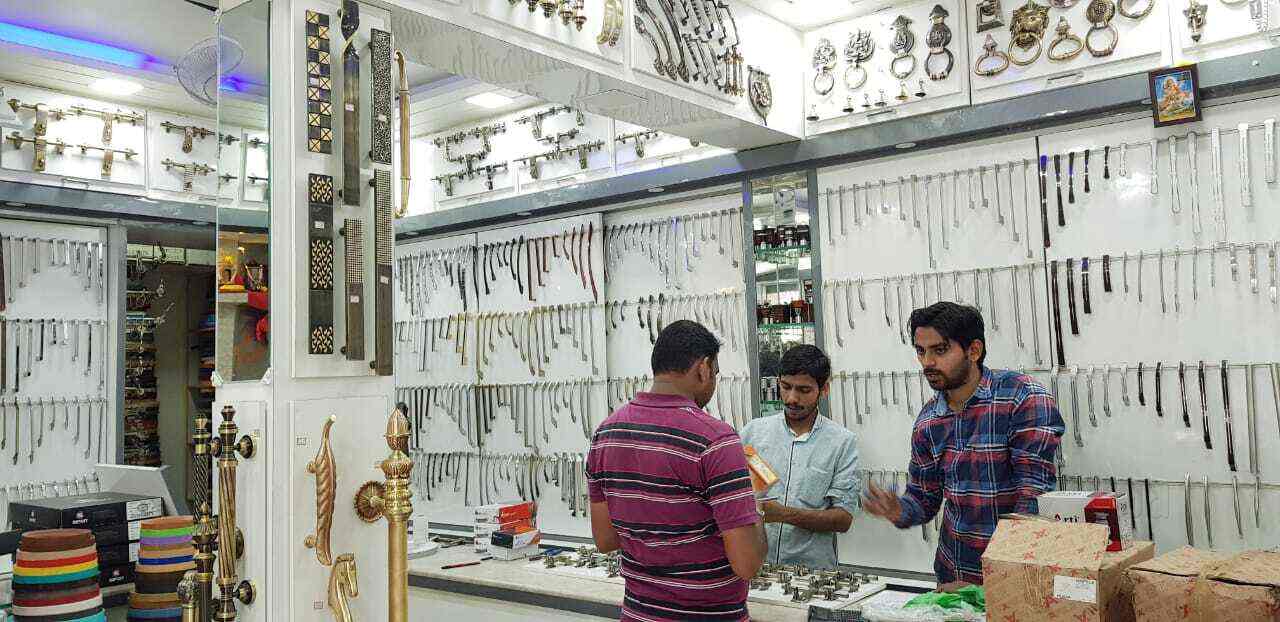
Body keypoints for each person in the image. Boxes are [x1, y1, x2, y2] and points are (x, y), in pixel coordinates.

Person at [861, 302, 1065, 588]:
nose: (927, 362)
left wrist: (993, 581)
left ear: (974, 350)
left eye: (939, 350)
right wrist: (899, 510)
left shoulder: (1022, 397)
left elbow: (1034, 495)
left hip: (1018, 577)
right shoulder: (928, 422)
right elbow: (923, 498)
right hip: (952, 574)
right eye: (921, 351)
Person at [586, 320, 767, 622]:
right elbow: (747, 563)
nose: (713, 384)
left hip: (638, 615)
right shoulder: (716, 440)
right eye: (716, 375)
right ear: (704, 368)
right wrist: (754, 507)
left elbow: (605, 540)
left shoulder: (606, 434)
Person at [739, 344, 859, 570]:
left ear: (823, 390)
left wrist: (783, 514)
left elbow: (843, 519)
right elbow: (740, 493)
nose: (792, 398)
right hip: (756, 569)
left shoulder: (842, 442)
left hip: (813, 574)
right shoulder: (753, 434)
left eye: (804, 390)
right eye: (786, 387)